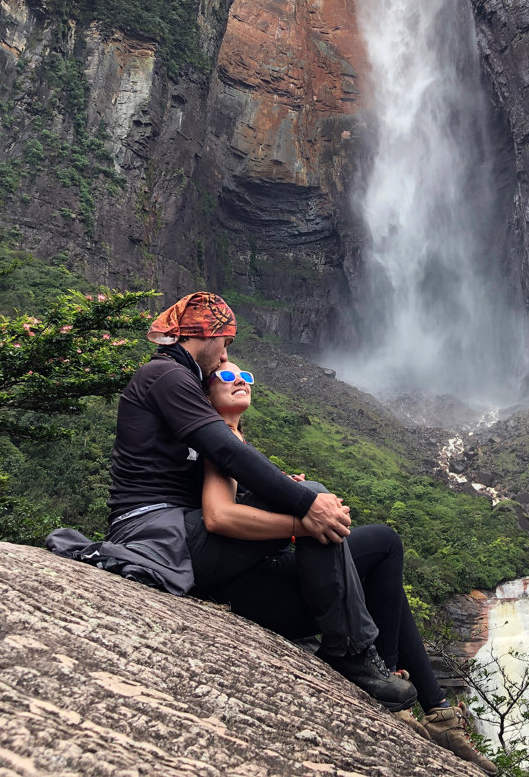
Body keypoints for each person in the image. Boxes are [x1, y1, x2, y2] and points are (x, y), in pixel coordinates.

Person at [105, 291, 414, 712]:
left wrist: (286, 493)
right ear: (208, 334)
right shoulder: (167, 375)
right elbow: (226, 452)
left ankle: (356, 652)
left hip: (178, 528)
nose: (225, 353)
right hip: (154, 531)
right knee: (317, 498)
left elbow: (216, 470)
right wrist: (305, 507)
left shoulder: (181, 380)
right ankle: (351, 655)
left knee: (319, 504)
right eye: (226, 342)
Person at [194, 359, 498, 774]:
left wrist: (286, 489)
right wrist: (301, 518)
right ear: (204, 393)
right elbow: (219, 516)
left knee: (375, 560)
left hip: (264, 579)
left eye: (245, 376)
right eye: (226, 376)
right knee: (384, 544)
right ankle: (391, 681)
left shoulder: (233, 441)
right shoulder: (218, 443)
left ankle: (438, 711)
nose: (240, 380)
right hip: (257, 588)